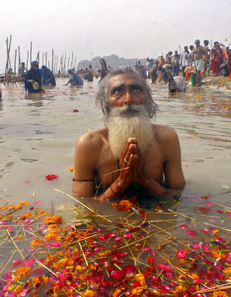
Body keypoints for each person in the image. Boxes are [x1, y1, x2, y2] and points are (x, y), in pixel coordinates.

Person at [72, 67, 185, 201]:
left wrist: (145, 181)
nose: (128, 99)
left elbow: (177, 194)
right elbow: (82, 203)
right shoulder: (89, 144)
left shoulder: (167, 138)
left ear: (147, 98)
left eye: (136, 90)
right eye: (117, 91)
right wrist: (120, 183)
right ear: (106, 102)